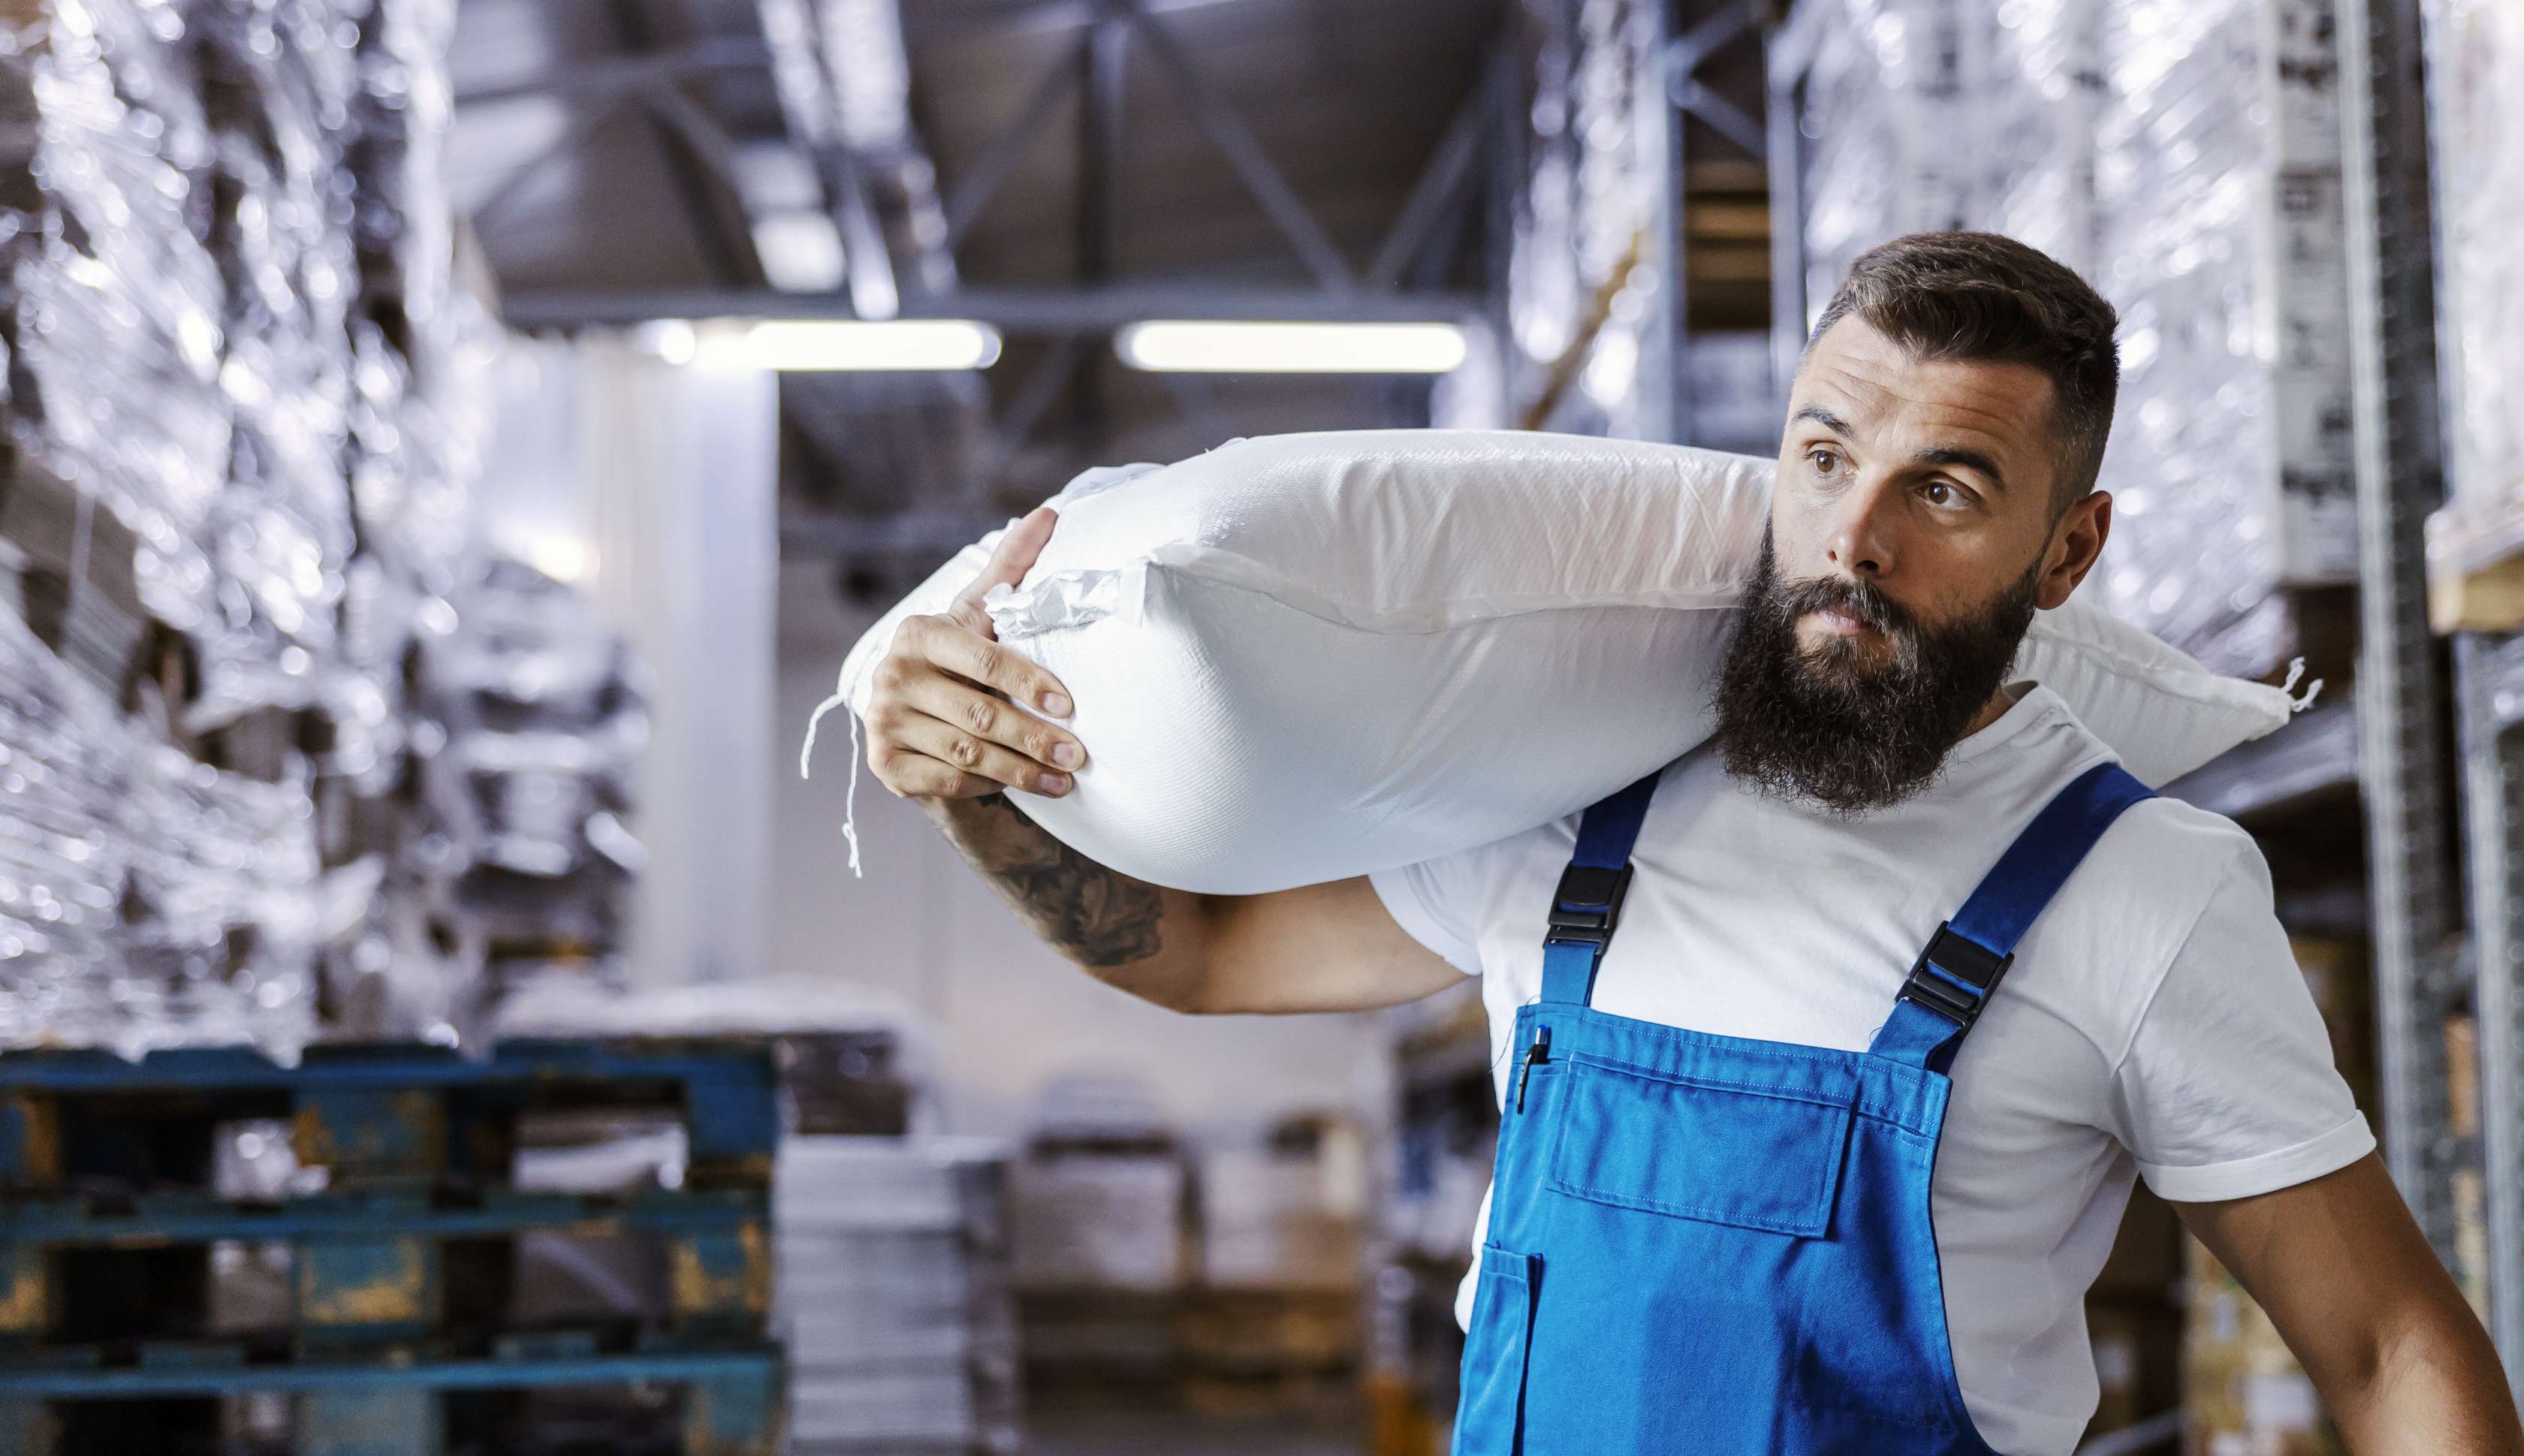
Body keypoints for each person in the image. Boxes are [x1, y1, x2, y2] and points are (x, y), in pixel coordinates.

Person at [855, 231, 2522, 1454]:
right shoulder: (1576, 798)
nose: (1851, 539)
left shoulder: (2134, 887)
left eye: (1944, 490)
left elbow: (2384, 1351)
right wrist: (970, 788)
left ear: (2065, 550)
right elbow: (1207, 957)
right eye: (1822, 457)